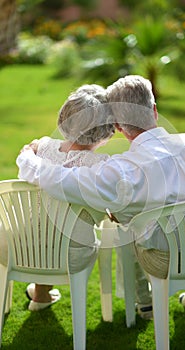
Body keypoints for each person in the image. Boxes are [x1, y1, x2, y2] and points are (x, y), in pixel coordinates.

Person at [16, 75, 185, 319]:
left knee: (132, 230)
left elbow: (62, 181)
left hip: (168, 261)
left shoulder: (125, 168)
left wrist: (27, 159)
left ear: (117, 126)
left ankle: (145, 303)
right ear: (154, 111)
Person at [14, 84, 115, 311]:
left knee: (43, 226)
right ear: (107, 129)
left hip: (21, 247)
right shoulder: (100, 166)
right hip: (70, 255)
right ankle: (41, 293)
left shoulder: (38, 149)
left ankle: (41, 294)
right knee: (63, 233)